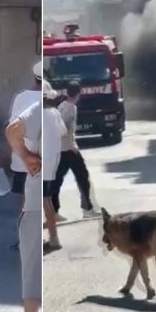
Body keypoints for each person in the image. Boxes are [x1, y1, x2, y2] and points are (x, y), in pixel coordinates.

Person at [3, 93, 44, 312]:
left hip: (38, 195)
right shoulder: (65, 109)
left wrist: (26, 155)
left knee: (32, 259)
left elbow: (12, 130)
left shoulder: (39, 108)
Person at [6, 63, 43, 251]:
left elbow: (12, 127)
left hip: (22, 161)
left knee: (24, 204)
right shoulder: (50, 100)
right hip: (43, 161)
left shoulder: (21, 98)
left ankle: (23, 240)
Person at [51, 81, 100, 220]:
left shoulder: (61, 106)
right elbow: (64, 127)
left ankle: (54, 211)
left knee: (57, 180)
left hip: (61, 149)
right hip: (70, 149)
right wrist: (70, 143)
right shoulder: (71, 107)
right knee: (82, 177)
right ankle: (87, 209)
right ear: (78, 94)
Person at [42, 81, 66, 253]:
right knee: (47, 200)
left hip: (41, 163)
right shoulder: (55, 113)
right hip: (52, 164)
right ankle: (53, 237)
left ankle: (54, 238)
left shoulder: (38, 115)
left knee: (42, 201)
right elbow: (63, 132)